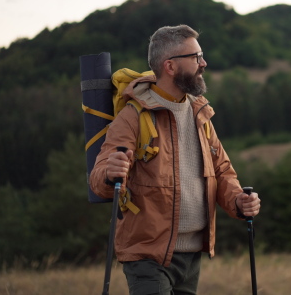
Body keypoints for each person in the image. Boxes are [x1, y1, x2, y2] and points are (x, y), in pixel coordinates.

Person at [90, 24, 261, 295]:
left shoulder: (199, 112)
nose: (203, 63)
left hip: (191, 256)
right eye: (196, 57)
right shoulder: (133, 116)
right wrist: (110, 173)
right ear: (170, 66)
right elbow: (98, 178)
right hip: (147, 254)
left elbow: (222, 171)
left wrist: (238, 200)